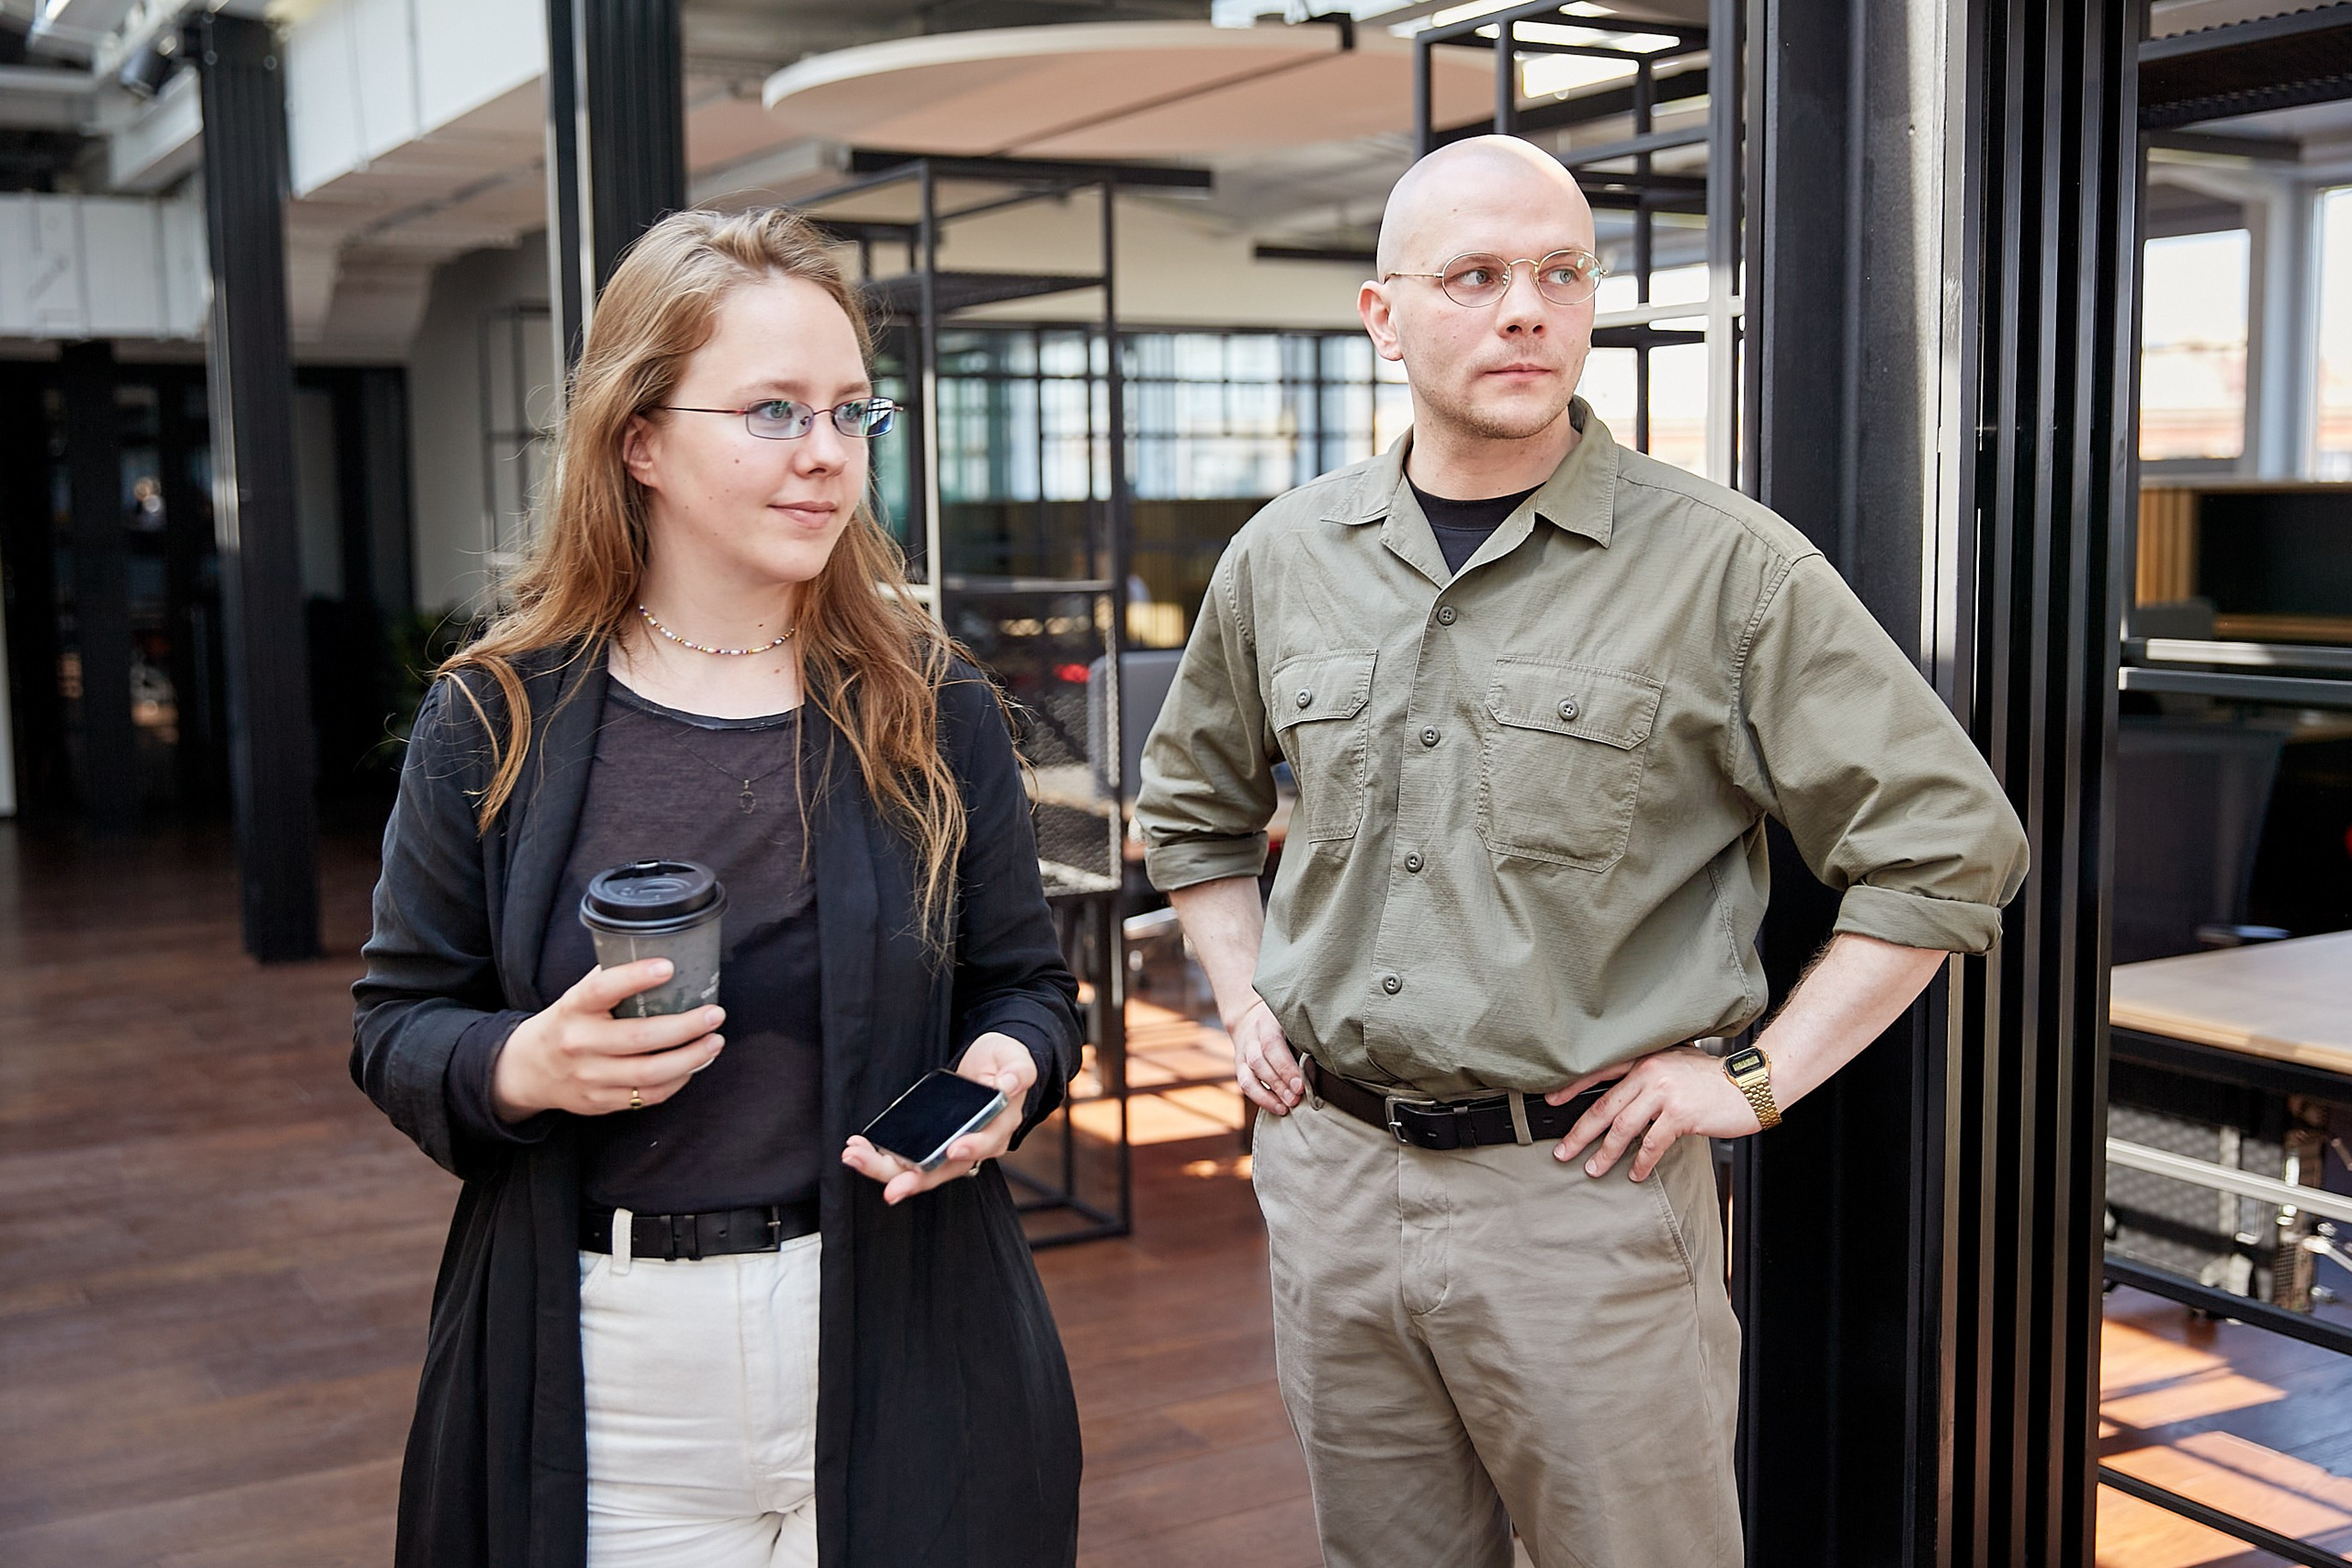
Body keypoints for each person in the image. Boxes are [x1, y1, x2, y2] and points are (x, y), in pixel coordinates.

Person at [1135, 137, 2030, 1568]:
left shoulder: (1729, 569)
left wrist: (1756, 1076)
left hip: (1582, 1206)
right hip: (1333, 1189)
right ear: (1383, 315)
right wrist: (1245, 998)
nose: (1526, 310)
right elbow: (1190, 814)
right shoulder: (1283, 559)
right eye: (1476, 275)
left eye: (1561, 273)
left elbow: (1948, 849)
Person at [353, 207, 1084, 1568]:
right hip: (611, 1368)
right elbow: (397, 1027)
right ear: (640, 439)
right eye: (772, 412)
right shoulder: (497, 717)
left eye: (853, 413)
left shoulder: (932, 703)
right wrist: (525, 1064)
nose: (826, 457)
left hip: (903, 1327)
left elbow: (1031, 986)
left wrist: (1004, 1068)